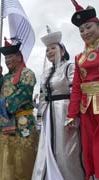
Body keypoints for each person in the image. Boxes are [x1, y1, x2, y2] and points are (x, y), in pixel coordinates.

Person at [32, 26, 85, 180]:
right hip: (49, 114)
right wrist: (40, 119)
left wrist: (73, 115)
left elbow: (76, 91)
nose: (49, 52)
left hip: (65, 112)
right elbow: (42, 97)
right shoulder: (46, 73)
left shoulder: (70, 67)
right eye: (47, 50)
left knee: (67, 150)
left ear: (62, 50)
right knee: (47, 148)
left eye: (52, 48)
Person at [0, 38, 38, 180]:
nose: (7, 60)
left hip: (23, 123)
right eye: (5, 58)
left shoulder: (27, 74)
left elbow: (22, 96)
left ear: (19, 57)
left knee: (23, 160)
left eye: (10, 57)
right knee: (5, 158)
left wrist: (1, 104)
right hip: (5, 124)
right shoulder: (4, 78)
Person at [65, 1, 99, 180]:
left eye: (88, 27)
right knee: (88, 148)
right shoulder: (79, 58)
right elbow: (76, 88)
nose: (85, 32)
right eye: (81, 30)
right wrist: (72, 114)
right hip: (86, 110)